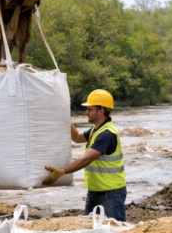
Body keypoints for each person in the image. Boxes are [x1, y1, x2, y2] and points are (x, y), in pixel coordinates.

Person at [42, 89, 126, 221]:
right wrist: (65, 117)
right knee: (90, 229)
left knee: (116, 230)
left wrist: (61, 172)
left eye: (89, 109)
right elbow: (76, 137)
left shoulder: (106, 134)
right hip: (95, 191)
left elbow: (86, 160)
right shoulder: (96, 130)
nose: (86, 112)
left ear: (100, 111)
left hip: (110, 193)